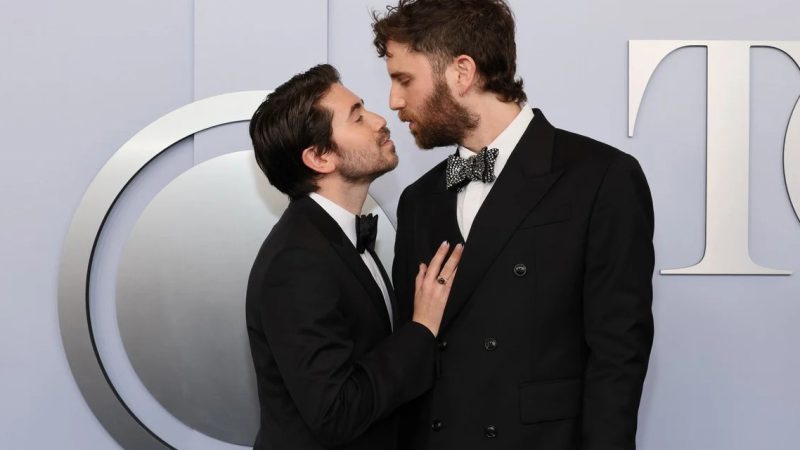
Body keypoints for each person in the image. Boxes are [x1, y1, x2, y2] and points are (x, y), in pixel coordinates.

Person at [371, 1, 655, 449]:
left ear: (461, 72)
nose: (394, 101)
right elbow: (414, 354)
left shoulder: (602, 178)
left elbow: (618, 357)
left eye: (404, 79)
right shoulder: (419, 199)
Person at [246, 64, 463, 450]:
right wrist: (421, 329)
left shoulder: (334, 239)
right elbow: (336, 412)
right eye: (358, 117)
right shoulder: (295, 262)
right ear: (320, 158)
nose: (381, 120)